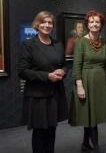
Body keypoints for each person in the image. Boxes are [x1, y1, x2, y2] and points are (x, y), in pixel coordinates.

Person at [17, 11, 68, 153]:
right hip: (38, 95)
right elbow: (22, 71)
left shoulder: (58, 44)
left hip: (55, 94)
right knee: (39, 132)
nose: (47, 25)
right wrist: (47, 76)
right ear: (37, 24)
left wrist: (63, 71)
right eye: (43, 22)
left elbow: (64, 64)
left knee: (52, 129)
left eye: (50, 22)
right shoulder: (28, 45)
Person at [69, 10, 106, 153]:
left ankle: (85, 144)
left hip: (100, 81)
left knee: (91, 114)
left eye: (97, 22)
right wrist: (79, 86)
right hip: (86, 81)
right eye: (92, 21)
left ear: (101, 24)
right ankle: (96, 147)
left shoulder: (105, 42)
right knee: (91, 115)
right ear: (87, 24)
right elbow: (76, 65)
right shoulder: (81, 42)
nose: (94, 24)